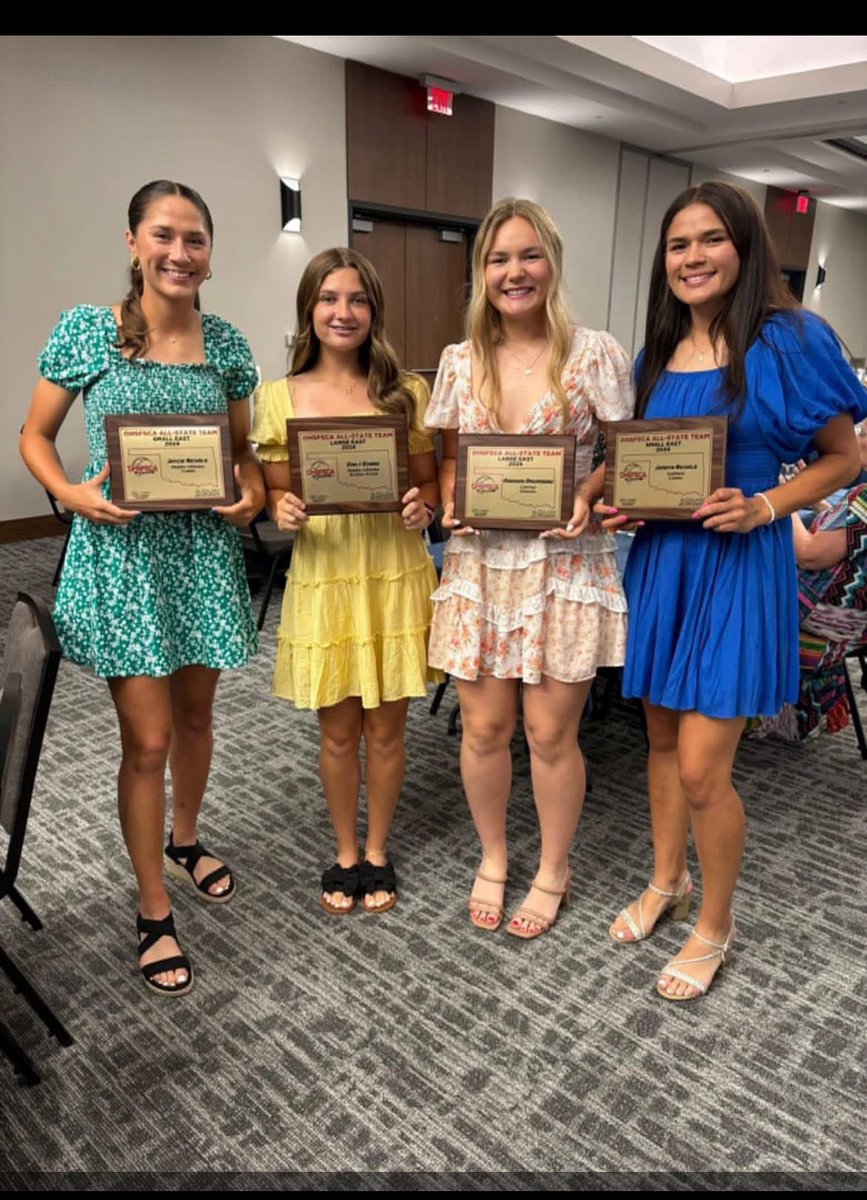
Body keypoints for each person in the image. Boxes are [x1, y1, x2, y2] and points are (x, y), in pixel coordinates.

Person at [602, 180, 867, 1000]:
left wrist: (764, 505)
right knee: (655, 742)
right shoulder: (653, 353)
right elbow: (639, 463)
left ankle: (715, 923)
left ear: (743, 249)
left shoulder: (787, 338)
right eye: (678, 244)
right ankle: (664, 879)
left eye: (710, 239)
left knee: (702, 771)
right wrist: (611, 496)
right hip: (661, 562)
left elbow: (843, 458)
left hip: (736, 561)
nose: (692, 257)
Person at [20, 180, 264, 997]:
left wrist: (252, 495)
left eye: (195, 239)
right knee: (147, 742)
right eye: (163, 235)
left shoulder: (226, 344)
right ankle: (153, 906)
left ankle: (184, 839)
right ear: (133, 242)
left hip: (197, 556)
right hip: (124, 562)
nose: (179, 253)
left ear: (209, 253)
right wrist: (74, 495)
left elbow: (245, 458)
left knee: (197, 717)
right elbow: (36, 435)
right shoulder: (89, 332)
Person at [425, 197, 634, 939]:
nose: (513, 272)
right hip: (482, 563)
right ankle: (492, 856)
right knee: (481, 728)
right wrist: (452, 498)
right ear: (481, 273)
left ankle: (552, 866)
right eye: (497, 259)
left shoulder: (594, 353)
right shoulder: (459, 360)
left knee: (549, 734)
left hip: (564, 561)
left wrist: (584, 490)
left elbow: (622, 454)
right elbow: (450, 458)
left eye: (527, 255)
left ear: (552, 262)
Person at [249, 248, 441, 915]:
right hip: (326, 575)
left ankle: (380, 849)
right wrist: (282, 507)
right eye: (329, 298)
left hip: (391, 571)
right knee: (337, 731)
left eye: (357, 299)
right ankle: (345, 851)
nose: (343, 312)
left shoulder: (405, 392)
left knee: (387, 730)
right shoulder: (276, 398)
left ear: (373, 311)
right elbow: (275, 493)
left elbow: (426, 483)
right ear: (309, 308)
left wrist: (425, 505)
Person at [755, 485, 867, 740]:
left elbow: (810, 556)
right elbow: (853, 534)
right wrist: (815, 500)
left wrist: (782, 499)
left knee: (724, 585)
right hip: (856, 620)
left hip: (825, 617)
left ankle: (717, 701)